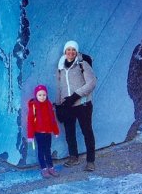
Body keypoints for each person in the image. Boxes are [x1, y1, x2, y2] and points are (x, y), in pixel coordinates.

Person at [56, 40, 97, 171]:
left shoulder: (82, 64)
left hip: (82, 104)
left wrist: (75, 96)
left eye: (73, 50)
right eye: (68, 49)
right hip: (68, 105)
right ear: (65, 51)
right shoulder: (61, 67)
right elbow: (60, 87)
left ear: (77, 51)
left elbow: (91, 83)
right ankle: (73, 156)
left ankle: (90, 161)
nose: (71, 52)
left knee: (87, 132)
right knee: (69, 132)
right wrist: (60, 104)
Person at [27, 84, 60, 178]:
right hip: (39, 133)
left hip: (48, 133)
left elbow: (52, 119)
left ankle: (51, 167)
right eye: (39, 95)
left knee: (48, 151)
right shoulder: (33, 106)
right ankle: (44, 168)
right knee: (41, 151)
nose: (42, 97)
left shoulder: (49, 104)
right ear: (36, 96)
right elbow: (30, 121)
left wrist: (56, 131)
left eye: (44, 95)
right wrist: (30, 135)